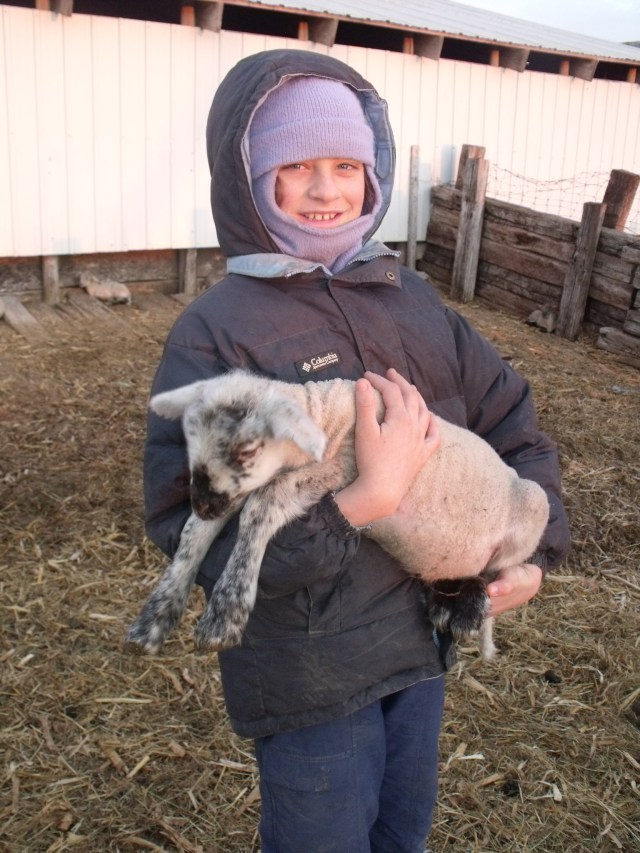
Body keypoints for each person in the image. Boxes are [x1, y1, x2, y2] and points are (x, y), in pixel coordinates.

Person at [144, 49, 570, 852]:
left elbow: (510, 414)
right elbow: (186, 527)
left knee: (401, 832)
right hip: (311, 673)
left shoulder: (409, 299)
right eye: (295, 165)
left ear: (374, 172)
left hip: (421, 644)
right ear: (245, 176)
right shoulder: (218, 334)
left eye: (346, 164)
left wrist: (531, 546)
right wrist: (359, 504)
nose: (326, 188)